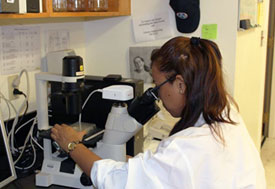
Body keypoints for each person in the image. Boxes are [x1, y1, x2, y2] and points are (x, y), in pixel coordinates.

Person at [51, 36, 266, 188]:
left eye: (157, 84)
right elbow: (172, 170)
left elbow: (117, 182)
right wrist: (132, 164)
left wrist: (72, 145)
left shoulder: (187, 148)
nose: (156, 93)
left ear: (180, 84)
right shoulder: (225, 109)